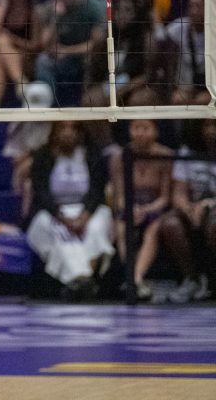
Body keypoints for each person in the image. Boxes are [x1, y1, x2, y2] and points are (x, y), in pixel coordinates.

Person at [25, 121, 114, 299]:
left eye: (73, 128)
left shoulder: (92, 154)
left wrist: (84, 216)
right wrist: (62, 218)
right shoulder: (43, 155)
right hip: (54, 212)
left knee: (96, 229)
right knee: (60, 234)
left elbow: (97, 190)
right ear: (55, 132)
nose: (68, 133)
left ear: (81, 133)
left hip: (88, 210)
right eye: (63, 128)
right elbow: (41, 193)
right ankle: (82, 279)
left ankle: (81, 281)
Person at [112, 119, 174, 301]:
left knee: (153, 230)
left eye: (145, 128)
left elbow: (165, 197)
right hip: (130, 207)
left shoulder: (165, 155)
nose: (140, 133)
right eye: (136, 128)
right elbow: (119, 195)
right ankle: (132, 277)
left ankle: (135, 279)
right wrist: (131, 209)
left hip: (155, 208)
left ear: (155, 131)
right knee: (122, 228)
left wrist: (146, 210)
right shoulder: (120, 156)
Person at [159, 119, 216, 303]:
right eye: (206, 125)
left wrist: (209, 204)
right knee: (170, 224)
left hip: (211, 206)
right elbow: (179, 193)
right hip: (193, 207)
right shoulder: (187, 152)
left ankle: (213, 281)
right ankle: (191, 279)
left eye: (214, 125)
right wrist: (188, 209)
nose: (211, 130)